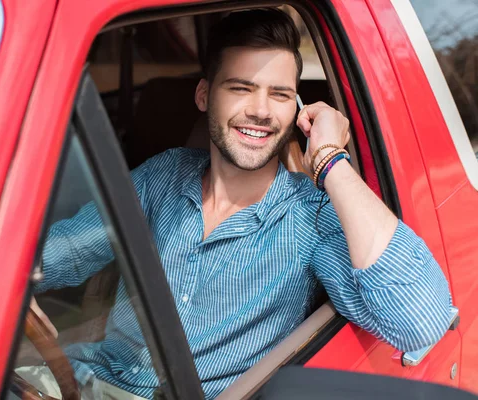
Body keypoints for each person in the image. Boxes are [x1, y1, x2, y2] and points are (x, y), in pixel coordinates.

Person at [25, 8, 452, 400]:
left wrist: (329, 160)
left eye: (281, 94)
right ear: (204, 96)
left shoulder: (311, 216)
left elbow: (419, 322)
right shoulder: (161, 175)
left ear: (297, 110)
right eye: (241, 88)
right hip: (78, 381)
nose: (262, 110)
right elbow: (63, 252)